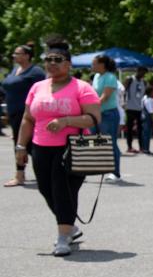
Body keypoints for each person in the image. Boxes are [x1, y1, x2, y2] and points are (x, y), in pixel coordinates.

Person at [15, 39, 101, 256]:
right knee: (45, 189)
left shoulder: (82, 87)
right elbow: (28, 118)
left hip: (72, 148)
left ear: (68, 64)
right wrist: (20, 146)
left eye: (57, 60)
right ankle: (70, 227)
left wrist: (66, 121)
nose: (52, 64)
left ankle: (63, 238)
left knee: (63, 191)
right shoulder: (37, 87)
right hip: (40, 147)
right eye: (48, 60)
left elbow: (93, 119)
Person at [3, 43, 45, 186]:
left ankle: (48, 171)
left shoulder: (36, 72)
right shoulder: (15, 69)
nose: (14, 56)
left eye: (17, 53)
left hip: (29, 113)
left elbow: (44, 91)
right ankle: (20, 175)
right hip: (14, 112)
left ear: (27, 56)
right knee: (20, 144)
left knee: (31, 145)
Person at [91, 54, 122, 181]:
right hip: (97, 113)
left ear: (102, 64)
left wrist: (90, 107)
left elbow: (105, 97)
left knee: (111, 142)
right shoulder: (97, 76)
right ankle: (102, 166)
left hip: (108, 114)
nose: (92, 66)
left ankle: (115, 172)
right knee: (94, 140)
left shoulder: (110, 77)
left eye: (94, 63)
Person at [124, 66, 147, 154]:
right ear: (137, 71)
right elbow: (123, 91)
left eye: (144, 73)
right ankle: (129, 146)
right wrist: (124, 103)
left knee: (140, 129)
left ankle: (141, 147)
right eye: (142, 72)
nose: (143, 75)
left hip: (139, 108)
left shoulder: (143, 82)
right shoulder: (130, 79)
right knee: (129, 129)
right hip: (129, 107)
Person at [140, 84, 153, 155]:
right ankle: (146, 149)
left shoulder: (144, 98)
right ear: (150, 92)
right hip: (148, 117)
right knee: (147, 134)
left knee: (144, 133)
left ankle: (144, 148)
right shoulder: (150, 100)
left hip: (143, 116)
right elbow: (151, 112)